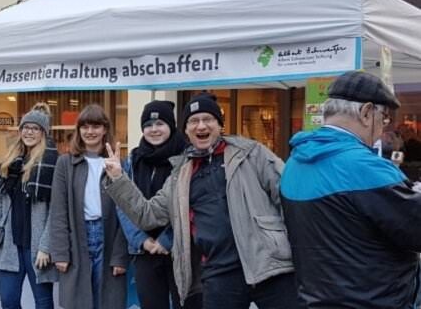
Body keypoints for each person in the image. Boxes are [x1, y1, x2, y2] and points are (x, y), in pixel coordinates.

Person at [104, 93, 299, 309]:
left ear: (220, 124)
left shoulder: (251, 153)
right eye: (193, 121)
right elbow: (147, 215)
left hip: (269, 265)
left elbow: (289, 198)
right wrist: (118, 179)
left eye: (208, 119)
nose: (201, 125)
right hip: (219, 274)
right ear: (186, 130)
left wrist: (299, 250)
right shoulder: (180, 174)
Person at [281, 71, 421, 308]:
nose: (382, 129)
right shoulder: (365, 167)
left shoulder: (293, 164)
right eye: (384, 118)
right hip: (377, 301)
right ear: (366, 112)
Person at [116, 100, 201, 309]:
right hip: (145, 251)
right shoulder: (134, 159)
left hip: (182, 249)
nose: (154, 129)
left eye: (160, 123)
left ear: (171, 126)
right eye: (148, 125)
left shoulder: (188, 157)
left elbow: (192, 204)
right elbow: (124, 205)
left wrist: (166, 240)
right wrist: (142, 240)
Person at [49, 104, 128, 309]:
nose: (90, 132)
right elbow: (58, 212)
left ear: (105, 129)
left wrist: (120, 256)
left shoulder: (118, 164)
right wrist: (60, 253)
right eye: (85, 126)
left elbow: (127, 212)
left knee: (107, 302)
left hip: (107, 237)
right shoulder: (65, 163)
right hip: (77, 237)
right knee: (78, 302)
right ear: (78, 130)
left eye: (95, 126)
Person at [0, 109, 59, 309]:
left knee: (43, 303)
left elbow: (56, 211)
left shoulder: (52, 163)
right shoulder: (9, 161)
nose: (29, 132)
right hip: (10, 243)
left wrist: (46, 247)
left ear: (44, 132)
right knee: (8, 301)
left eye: (35, 128)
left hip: (37, 246)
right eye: (25, 127)